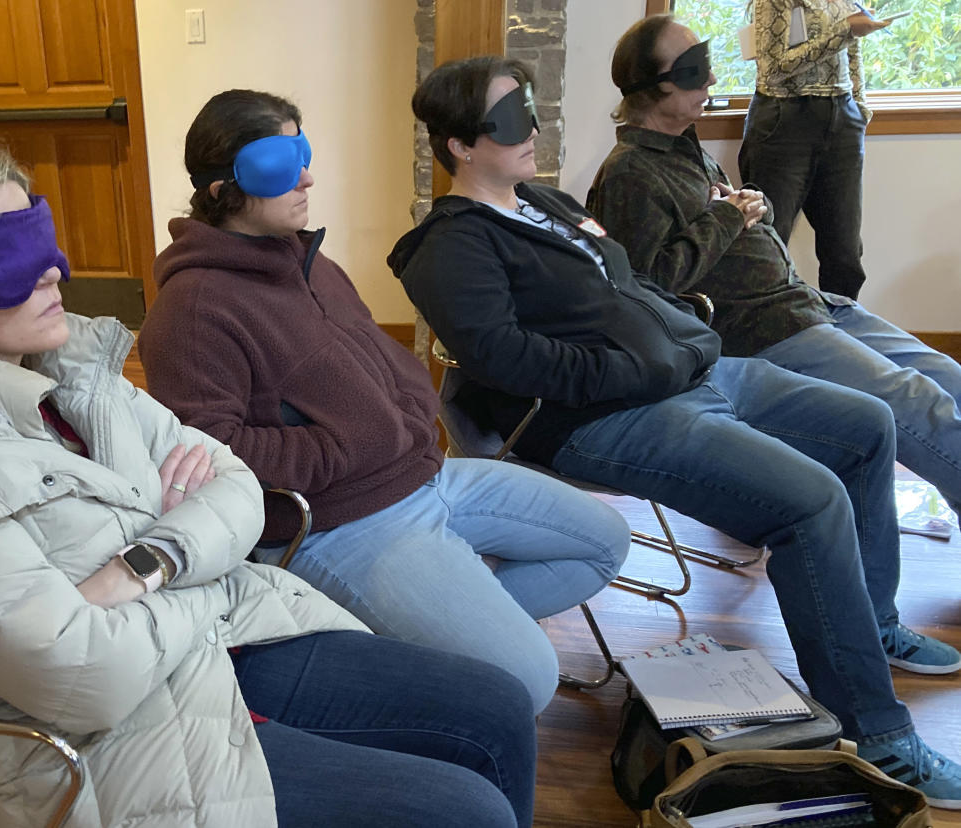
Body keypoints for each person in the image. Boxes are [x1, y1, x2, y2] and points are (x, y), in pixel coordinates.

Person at [0, 133, 542, 828]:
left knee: (499, 705)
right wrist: (194, 550)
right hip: (111, 741)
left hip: (223, 639)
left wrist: (146, 564)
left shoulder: (76, 373)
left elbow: (236, 481)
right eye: (7, 257)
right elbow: (89, 679)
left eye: (40, 236)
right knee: (465, 811)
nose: (51, 269)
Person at [388, 55, 961, 809]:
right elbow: (506, 361)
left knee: (865, 422)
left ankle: (872, 621)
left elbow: (628, 287)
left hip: (689, 373)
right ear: (461, 144)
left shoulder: (546, 203)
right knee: (810, 500)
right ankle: (879, 735)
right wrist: (634, 370)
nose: (533, 128)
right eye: (510, 120)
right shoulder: (451, 245)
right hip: (604, 418)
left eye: (530, 109)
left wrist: (683, 337)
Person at [136, 89, 630, 716]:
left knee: (604, 541)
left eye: (304, 152)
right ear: (221, 186)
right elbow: (209, 450)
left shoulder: (312, 263)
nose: (308, 175)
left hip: (424, 476)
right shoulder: (193, 308)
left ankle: (434, 631)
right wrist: (345, 444)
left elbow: (379, 359)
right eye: (281, 163)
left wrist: (402, 408)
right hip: (341, 522)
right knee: (526, 683)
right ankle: (435, 644)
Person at [590, 13, 961, 525]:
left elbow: (712, 230)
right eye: (695, 71)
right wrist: (726, 216)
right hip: (761, 330)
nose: (713, 80)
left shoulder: (684, 150)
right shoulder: (629, 172)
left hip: (806, 305)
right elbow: (648, 285)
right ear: (652, 88)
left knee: (948, 376)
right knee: (918, 401)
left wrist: (744, 208)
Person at [737, 0, 890, 299]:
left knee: (844, 253)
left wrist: (859, 107)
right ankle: (765, 334)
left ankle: (843, 335)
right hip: (784, 119)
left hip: (842, 118)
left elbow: (853, 50)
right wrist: (845, 31)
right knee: (768, 245)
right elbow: (774, 67)